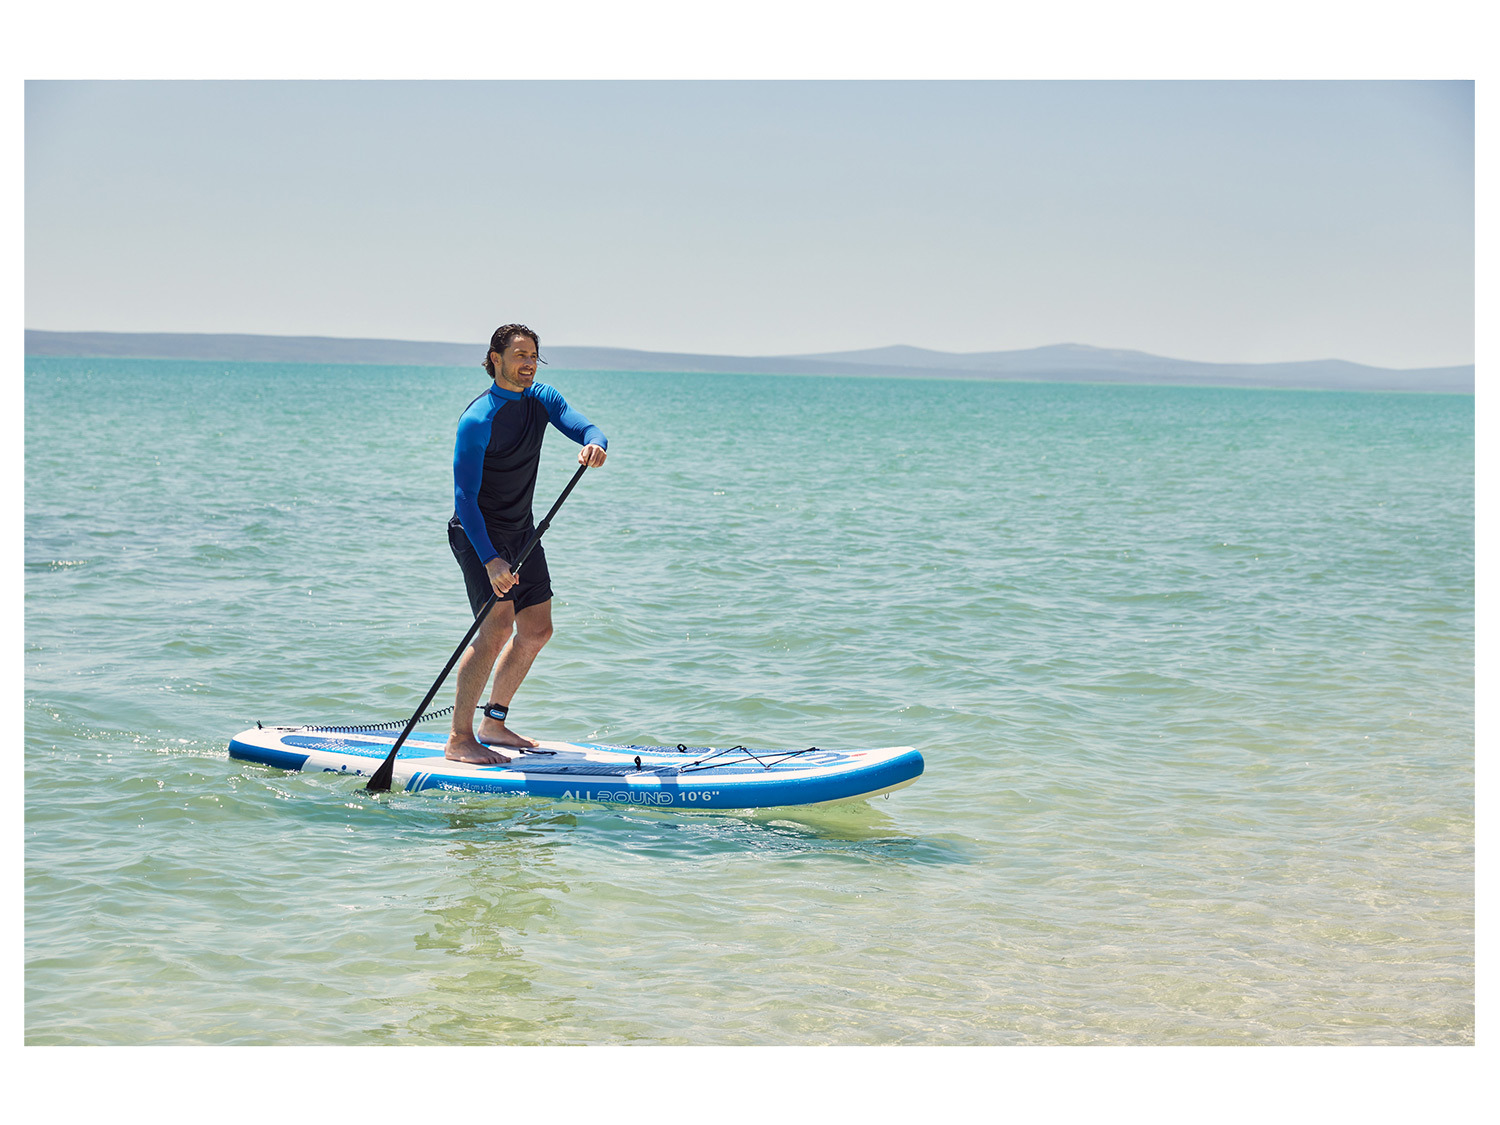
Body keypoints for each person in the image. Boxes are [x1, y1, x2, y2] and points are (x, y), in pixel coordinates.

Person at [445, 324, 607, 764]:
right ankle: (459, 739)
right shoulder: (478, 419)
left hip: (523, 532)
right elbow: (464, 499)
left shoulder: (542, 399)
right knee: (497, 628)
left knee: (537, 629)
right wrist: (490, 560)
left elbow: (587, 427)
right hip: (478, 534)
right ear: (495, 359)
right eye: (520, 355)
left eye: (534, 355)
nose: (529, 364)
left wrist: (594, 444)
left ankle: (493, 724)